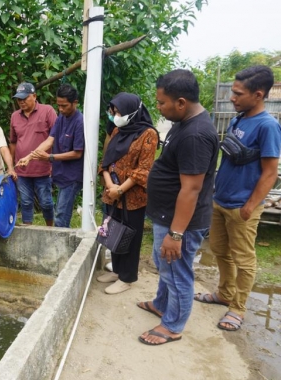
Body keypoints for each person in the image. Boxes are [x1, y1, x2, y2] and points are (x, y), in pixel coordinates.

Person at [194, 65, 281, 332]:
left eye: (237, 93)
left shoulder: (268, 127)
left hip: (243, 206)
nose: (232, 97)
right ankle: (224, 293)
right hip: (221, 201)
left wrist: (251, 205)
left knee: (244, 259)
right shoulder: (238, 118)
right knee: (220, 250)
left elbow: (270, 173)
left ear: (258, 95)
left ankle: (238, 308)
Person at [138, 69, 219, 345]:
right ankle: (162, 304)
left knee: (177, 272)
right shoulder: (184, 122)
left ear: (181, 102)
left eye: (162, 103)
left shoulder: (195, 135)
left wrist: (176, 234)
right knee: (165, 266)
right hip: (167, 214)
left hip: (180, 221)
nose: (159, 108)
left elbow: (192, 188)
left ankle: (173, 325)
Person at [94, 92, 158, 294]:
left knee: (131, 236)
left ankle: (127, 277)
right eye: (113, 112)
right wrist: (110, 187)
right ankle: (117, 270)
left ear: (132, 112)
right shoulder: (116, 132)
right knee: (113, 232)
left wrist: (120, 189)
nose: (115, 116)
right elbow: (105, 163)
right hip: (112, 194)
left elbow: (143, 169)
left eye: (119, 112)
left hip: (133, 197)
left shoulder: (148, 134)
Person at [16, 84, 84, 228]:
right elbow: (50, 139)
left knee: (60, 216)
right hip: (61, 174)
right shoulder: (61, 117)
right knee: (59, 212)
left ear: (75, 103)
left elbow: (77, 153)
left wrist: (50, 158)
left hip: (72, 176)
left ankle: (61, 247)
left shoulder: (79, 122)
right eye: (58, 105)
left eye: (64, 106)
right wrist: (30, 157)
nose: (60, 109)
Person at [10, 82, 57, 226]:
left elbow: (56, 138)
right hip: (22, 169)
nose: (21, 101)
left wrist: (55, 163)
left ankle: (50, 229)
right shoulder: (15, 116)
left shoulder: (47, 111)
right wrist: (11, 165)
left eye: (25, 98)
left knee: (46, 202)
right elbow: (13, 142)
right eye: (19, 99)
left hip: (43, 168)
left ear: (34, 96)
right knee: (25, 202)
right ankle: (28, 229)